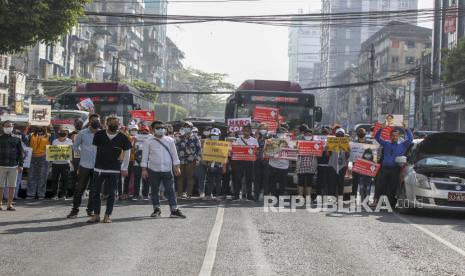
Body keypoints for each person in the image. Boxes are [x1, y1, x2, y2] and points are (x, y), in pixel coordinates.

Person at [87, 116, 131, 223]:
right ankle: (96, 215)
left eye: (117, 123)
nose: (115, 125)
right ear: (107, 123)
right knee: (95, 192)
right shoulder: (99, 134)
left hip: (114, 169)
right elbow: (94, 150)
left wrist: (124, 168)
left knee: (112, 193)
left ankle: (107, 215)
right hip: (99, 168)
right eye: (112, 123)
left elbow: (127, 153)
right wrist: (93, 165)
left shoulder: (123, 137)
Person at [141, 120, 185, 218]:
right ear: (152, 129)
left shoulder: (170, 140)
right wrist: (144, 169)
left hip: (167, 169)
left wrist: (177, 167)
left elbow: (174, 154)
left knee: (170, 190)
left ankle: (174, 210)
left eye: (162, 128)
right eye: (158, 128)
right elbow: (144, 156)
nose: (160, 129)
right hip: (153, 170)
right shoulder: (148, 141)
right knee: (154, 190)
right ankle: (156, 209)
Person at [67, 114, 101, 219]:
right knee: (80, 188)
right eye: (94, 121)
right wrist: (82, 154)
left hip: (97, 166)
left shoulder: (101, 133)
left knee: (94, 190)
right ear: (90, 123)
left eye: (98, 121)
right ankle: (74, 210)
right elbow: (75, 146)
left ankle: (90, 210)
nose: (96, 123)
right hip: (84, 165)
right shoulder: (82, 133)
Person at [374, 125, 413, 207]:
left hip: (395, 169)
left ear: (399, 136)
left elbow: (410, 139)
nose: (394, 137)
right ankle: (378, 202)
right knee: (381, 185)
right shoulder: (386, 143)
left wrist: (406, 129)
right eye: (393, 135)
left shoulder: (403, 144)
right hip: (384, 169)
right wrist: (381, 128)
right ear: (390, 136)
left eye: (396, 136)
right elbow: (377, 137)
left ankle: (391, 204)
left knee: (393, 187)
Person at [0, 121, 24, 211]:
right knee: (0, 186)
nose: (9, 127)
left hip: (13, 166)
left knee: (12, 186)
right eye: (7, 126)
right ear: (3, 127)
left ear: (13, 127)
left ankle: (10, 204)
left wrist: (21, 165)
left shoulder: (17, 139)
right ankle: (0, 204)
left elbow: (20, 154)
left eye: (10, 126)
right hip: (1, 165)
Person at [176, 121, 201, 198]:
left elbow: (199, 149)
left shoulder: (195, 138)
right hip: (180, 161)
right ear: (183, 128)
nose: (187, 128)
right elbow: (175, 150)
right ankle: (179, 194)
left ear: (191, 128)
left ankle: (189, 194)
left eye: (189, 127)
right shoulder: (179, 138)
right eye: (185, 127)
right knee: (180, 177)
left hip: (191, 161)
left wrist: (198, 160)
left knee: (190, 177)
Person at [232, 124, 258, 200]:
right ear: (242, 131)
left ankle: (249, 195)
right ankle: (236, 195)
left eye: (248, 131)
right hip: (239, 162)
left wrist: (252, 151)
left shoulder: (254, 140)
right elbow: (234, 150)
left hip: (249, 162)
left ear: (250, 131)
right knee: (238, 178)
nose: (246, 132)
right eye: (245, 130)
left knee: (249, 179)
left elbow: (257, 150)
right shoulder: (238, 140)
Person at [27, 126, 52, 199]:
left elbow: (53, 143)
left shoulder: (49, 135)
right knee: (31, 176)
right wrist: (27, 127)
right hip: (32, 157)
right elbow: (26, 143)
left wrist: (51, 127)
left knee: (43, 177)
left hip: (44, 158)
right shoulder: (31, 135)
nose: (40, 126)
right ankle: (30, 194)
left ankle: (41, 194)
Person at [204, 128, 227, 200]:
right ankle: (208, 195)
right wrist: (207, 163)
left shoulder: (223, 145)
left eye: (216, 135)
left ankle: (217, 196)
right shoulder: (207, 144)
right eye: (213, 135)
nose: (214, 136)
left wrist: (224, 167)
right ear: (210, 135)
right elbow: (205, 156)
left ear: (219, 136)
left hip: (219, 166)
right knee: (209, 181)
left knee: (218, 181)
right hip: (209, 165)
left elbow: (224, 157)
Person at [50, 127, 73, 199]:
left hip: (66, 163)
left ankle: (63, 194)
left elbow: (71, 151)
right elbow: (52, 152)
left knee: (65, 180)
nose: (62, 136)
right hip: (55, 163)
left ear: (66, 134)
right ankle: (54, 195)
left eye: (64, 133)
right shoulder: (55, 141)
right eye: (61, 133)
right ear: (58, 134)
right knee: (55, 180)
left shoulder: (70, 141)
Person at [327, 128, 350, 199]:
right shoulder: (331, 142)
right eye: (338, 134)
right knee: (331, 182)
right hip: (332, 165)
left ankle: (340, 197)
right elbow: (328, 155)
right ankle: (331, 197)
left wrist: (347, 150)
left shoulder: (347, 143)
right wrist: (327, 149)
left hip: (342, 165)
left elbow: (348, 156)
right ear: (336, 135)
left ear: (343, 135)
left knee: (341, 182)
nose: (340, 136)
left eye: (341, 135)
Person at [296, 127, 318, 199]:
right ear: (304, 135)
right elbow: (295, 150)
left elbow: (319, 153)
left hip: (311, 166)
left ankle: (308, 198)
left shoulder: (316, 143)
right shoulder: (299, 142)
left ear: (312, 135)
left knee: (309, 183)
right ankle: (300, 198)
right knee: (300, 183)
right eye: (306, 134)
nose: (308, 136)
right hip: (301, 165)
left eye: (309, 134)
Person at [268, 127, 290, 198]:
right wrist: (273, 153)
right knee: (272, 181)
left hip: (284, 165)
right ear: (276, 133)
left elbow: (294, 151)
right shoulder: (271, 140)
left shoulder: (289, 141)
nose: (280, 134)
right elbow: (267, 152)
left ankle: (281, 195)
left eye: (282, 133)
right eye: (279, 133)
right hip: (273, 164)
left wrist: (288, 145)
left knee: (282, 182)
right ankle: (273, 195)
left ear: (285, 134)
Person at [133, 125, 153, 200]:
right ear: (140, 131)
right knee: (137, 179)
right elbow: (132, 148)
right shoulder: (135, 137)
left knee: (146, 178)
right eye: (142, 130)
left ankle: (145, 194)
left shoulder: (152, 137)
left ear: (148, 131)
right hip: (136, 161)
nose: (144, 132)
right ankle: (136, 195)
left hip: (147, 161)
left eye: (146, 131)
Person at [351, 128, 372, 199]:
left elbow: (372, 155)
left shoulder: (369, 144)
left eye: (362, 132)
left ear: (365, 133)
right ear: (357, 134)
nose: (361, 133)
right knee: (355, 183)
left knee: (366, 184)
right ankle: (353, 198)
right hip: (356, 166)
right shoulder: (353, 144)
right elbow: (351, 154)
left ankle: (365, 199)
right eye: (359, 132)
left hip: (366, 166)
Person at [254, 123, 270, 201]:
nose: (263, 129)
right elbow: (253, 147)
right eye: (261, 128)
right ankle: (256, 195)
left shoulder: (270, 137)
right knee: (257, 178)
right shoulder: (256, 137)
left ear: (267, 130)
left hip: (267, 161)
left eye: (264, 128)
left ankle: (265, 195)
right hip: (257, 160)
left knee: (266, 179)